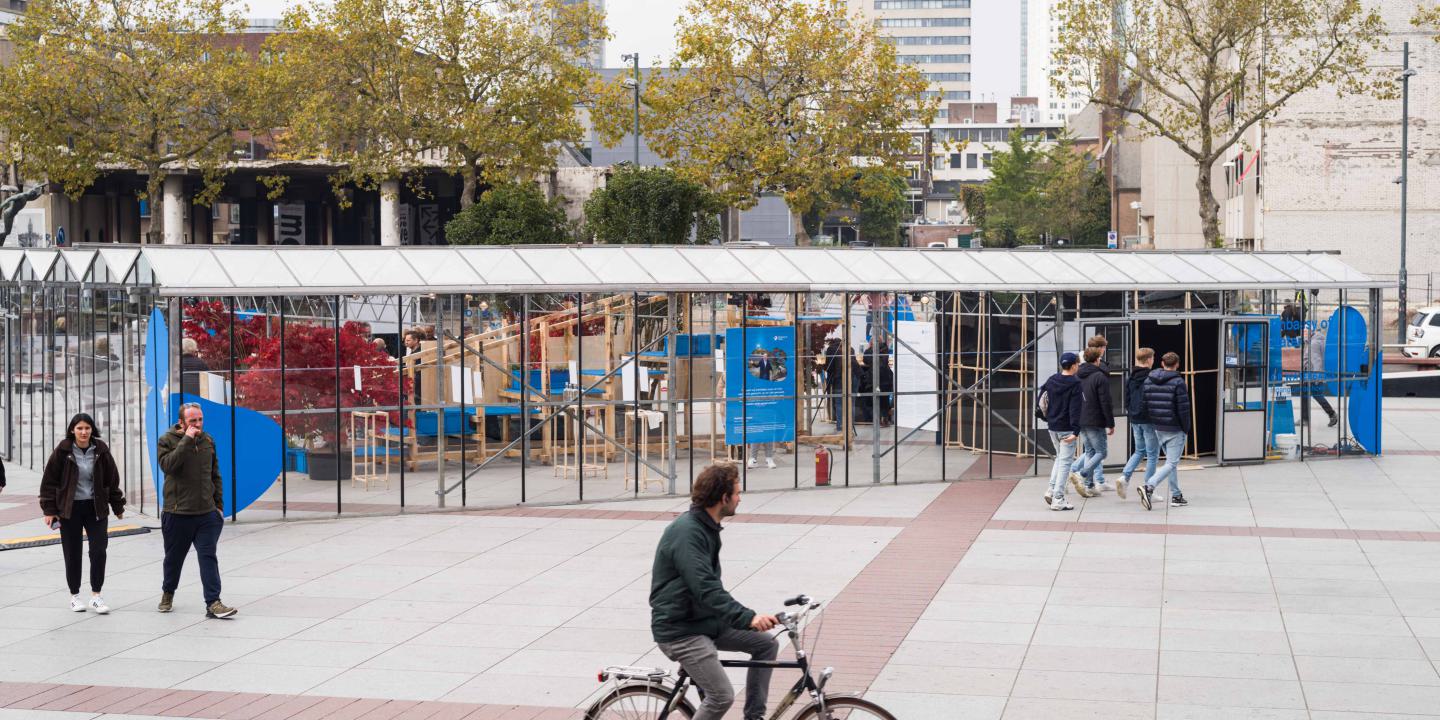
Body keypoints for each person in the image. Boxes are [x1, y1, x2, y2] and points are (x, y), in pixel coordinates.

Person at [651, 463, 779, 720]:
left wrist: (745, 619)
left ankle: (754, 717)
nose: (740, 498)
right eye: (737, 493)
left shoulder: (706, 526)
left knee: (766, 645)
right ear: (724, 498)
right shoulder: (688, 532)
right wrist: (748, 617)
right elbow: (705, 587)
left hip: (703, 620)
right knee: (721, 696)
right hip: (681, 629)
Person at [155, 402, 237, 618]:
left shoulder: (208, 440)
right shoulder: (166, 440)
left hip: (206, 514)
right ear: (181, 422)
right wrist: (187, 440)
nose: (198, 424)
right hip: (177, 513)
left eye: (200, 419)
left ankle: (213, 603)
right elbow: (168, 466)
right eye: (193, 421)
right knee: (173, 559)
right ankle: (168, 592)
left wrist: (218, 507)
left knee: (208, 556)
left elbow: (215, 475)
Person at [39, 413, 125, 614]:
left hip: (96, 508)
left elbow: (112, 480)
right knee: (72, 552)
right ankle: (75, 596)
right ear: (72, 430)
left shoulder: (101, 450)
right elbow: (49, 482)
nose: (84, 432)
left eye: (87, 428)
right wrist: (49, 510)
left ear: (92, 429)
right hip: (70, 509)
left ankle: (96, 596)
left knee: (98, 551)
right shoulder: (63, 451)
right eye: (79, 428)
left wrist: (118, 506)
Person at [1140, 352, 1191, 510]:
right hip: (1175, 428)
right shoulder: (1178, 382)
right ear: (1177, 364)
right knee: (1172, 462)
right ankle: (1149, 486)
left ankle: (1176, 495)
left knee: (1170, 462)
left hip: (1158, 426)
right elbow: (1183, 409)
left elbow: (1144, 404)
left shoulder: (1149, 379)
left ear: (1162, 363)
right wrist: (1186, 428)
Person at [1039, 353, 1083, 511]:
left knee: (1059, 458)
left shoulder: (1052, 379)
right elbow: (1075, 409)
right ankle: (1058, 498)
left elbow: (1041, 401)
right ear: (1073, 366)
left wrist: (1048, 418)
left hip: (1053, 426)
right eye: (1078, 364)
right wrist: (1076, 431)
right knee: (1065, 463)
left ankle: (1051, 490)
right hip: (1067, 428)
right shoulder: (1075, 383)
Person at [1070, 346, 1115, 497]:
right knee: (1102, 452)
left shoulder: (1077, 375)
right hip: (1095, 419)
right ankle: (1081, 474)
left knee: (1090, 451)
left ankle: (1089, 485)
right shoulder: (1099, 376)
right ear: (1097, 360)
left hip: (1080, 419)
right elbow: (1105, 402)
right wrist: (1110, 423)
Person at [1117, 347, 1159, 498]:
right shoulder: (1151, 377)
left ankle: (1124, 477)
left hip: (1135, 418)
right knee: (1152, 455)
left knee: (1139, 450)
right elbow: (1153, 399)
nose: (1153, 361)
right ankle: (1148, 488)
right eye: (1152, 358)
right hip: (1148, 420)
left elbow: (1126, 399)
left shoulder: (1130, 377)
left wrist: (1132, 412)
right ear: (1148, 360)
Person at [1300, 326, 1338, 428]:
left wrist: (1316, 376)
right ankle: (1305, 418)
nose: (1303, 334)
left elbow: (1317, 361)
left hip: (1312, 374)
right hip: (1312, 373)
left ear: (1311, 331)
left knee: (1316, 395)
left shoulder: (1313, 343)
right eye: (1303, 332)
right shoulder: (1315, 340)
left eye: (1305, 331)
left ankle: (1332, 414)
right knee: (1306, 395)